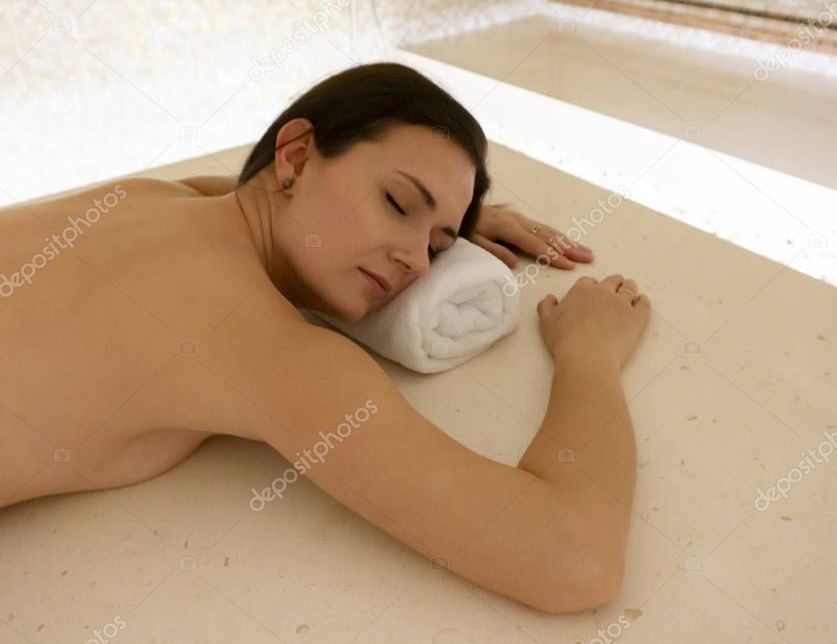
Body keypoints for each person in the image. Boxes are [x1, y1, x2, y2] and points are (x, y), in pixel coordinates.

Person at [0, 62, 651, 613]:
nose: (418, 265)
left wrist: (432, 217)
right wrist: (588, 350)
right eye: (397, 203)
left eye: (435, 247)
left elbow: (241, 191)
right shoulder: (264, 349)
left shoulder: (142, 197)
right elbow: (573, 558)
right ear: (298, 155)